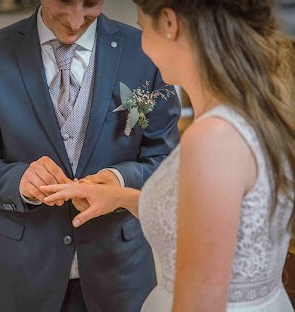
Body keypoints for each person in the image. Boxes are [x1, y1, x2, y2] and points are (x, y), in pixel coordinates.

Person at [42, 0, 295, 311]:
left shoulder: (212, 139)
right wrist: (121, 197)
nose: (142, 43)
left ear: (169, 24)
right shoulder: (258, 108)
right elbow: (212, 218)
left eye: (143, 27)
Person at [0, 0, 181, 311]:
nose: (75, 20)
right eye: (64, 1)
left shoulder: (145, 51)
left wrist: (119, 180)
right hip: (22, 276)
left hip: (119, 274)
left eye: (90, 4)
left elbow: (168, 163)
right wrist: (18, 180)